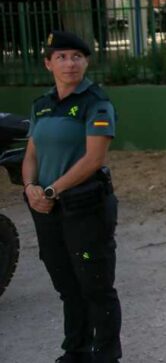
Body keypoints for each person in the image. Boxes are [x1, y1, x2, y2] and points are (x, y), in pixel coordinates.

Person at [22, 30, 122, 363]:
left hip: (85, 207)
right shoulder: (41, 105)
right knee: (67, 284)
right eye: (61, 57)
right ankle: (76, 351)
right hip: (47, 210)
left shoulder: (96, 103)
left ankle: (106, 355)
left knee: (96, 286)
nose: (70, 63)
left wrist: (52, 190)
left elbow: (94, 159)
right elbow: (31, 154)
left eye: (77, 57)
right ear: (48, 63)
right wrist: (30, 187)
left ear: (86, 63)